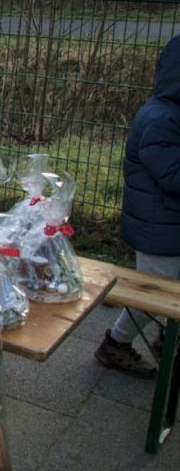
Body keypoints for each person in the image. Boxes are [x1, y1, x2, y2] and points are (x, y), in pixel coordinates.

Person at [95, 34, 180, 378]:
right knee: (151, 297)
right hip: (158, 229)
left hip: (167, 225)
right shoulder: (160, 119)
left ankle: (166, 337)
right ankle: (115, 344)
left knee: (166, 291)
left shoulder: (171, 113)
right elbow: (173, 175)